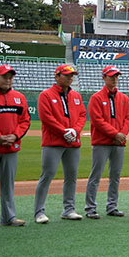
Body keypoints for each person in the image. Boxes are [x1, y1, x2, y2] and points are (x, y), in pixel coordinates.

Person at [35, 63, 86, 223]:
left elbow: (82, 115)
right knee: (47, 175)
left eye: (72, 76)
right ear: (57, 76)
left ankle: (69, 209)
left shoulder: (76, 96)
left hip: (73, 142)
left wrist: (75, 131)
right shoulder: (46, 95)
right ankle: (39, 212)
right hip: (53, 142)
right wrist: (64, 131)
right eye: (66, 75)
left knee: (71, 176)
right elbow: (46, 117)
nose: (70, 78)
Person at [86, 65, 129, 218]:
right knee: (96, 175)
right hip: (101, 142)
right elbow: (97, 120)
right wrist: (115, 134)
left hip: (119, 143)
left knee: (115, 176)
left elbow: (128, 118)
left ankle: (112, 206)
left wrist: (122, 134)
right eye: (111, 76)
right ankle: (90, 208)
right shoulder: (96, 98)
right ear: (104, 77)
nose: (114, 79)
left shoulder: (124, 98)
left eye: (116, 76)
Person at [0, 64, 30, 227]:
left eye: (10, 77)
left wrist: (14, 136)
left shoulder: (19, 97)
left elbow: (25, 121)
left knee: (8, 185)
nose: (8, 80)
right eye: (4, 77)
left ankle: (8, 217)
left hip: (10, 148)